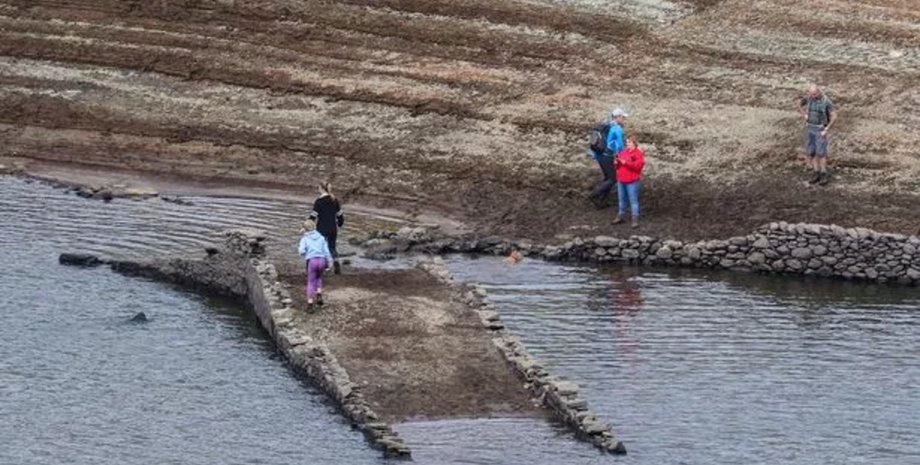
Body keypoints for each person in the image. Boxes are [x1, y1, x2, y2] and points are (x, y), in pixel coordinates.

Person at [798, 84, 837, 186]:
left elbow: (834, 115)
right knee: (812, 152)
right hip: (810, 127)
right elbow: (799, 104)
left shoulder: (826, 101)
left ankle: (824, 173)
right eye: (811, 94)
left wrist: (827, 128)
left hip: (820, 129)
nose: (813, 96)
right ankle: (816, 172)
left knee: (821, 153)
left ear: (819, 91)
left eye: (814, 94)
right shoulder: (809, 98)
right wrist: (804, 115)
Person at [588, 108, 627, 208]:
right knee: (613, 179)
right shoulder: (617, 129)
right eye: (623, 117)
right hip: (607, 156)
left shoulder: (607, 124)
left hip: (600, 155)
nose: (624, 120)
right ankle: (594, 195)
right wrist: (623, 158)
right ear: (617, 117)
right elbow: (619, 146)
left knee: (608, 177)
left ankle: (601, 201)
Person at [297, 219, 333, 310]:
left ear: (305, 229)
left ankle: (310, 305)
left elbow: (301, 251)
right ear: (314, 227)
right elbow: (326, 251)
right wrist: (330, 262)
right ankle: (319, 295)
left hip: (312, 261)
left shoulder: (305, 239)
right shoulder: (321, 237)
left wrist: (306, 255)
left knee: (310, 282)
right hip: (321, 260)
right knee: (319, 277)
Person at [310, 182, 345, 274]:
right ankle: (336, 262)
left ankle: (323, 266)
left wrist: (305, 227)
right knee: (332, 247)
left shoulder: (319, 201)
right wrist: (340, 224)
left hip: (322, 228)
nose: (318, 189)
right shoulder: (334, 200)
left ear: (321, 188)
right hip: (333, 228)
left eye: (318, 187)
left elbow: (313, 216)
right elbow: (340, 214)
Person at [613, 134, 645, 228]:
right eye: (626, 142)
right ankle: (620, 216)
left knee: (633, 200)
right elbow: (618, 166)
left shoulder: (638, 154)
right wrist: (616, 163)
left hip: (632, 181)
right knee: (621, 200)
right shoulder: (623, 152)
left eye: (629, 142)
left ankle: (635, 219)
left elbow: (638, 167)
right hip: (621, 179)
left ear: (634, 143)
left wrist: (626, 163)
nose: (627, 144)